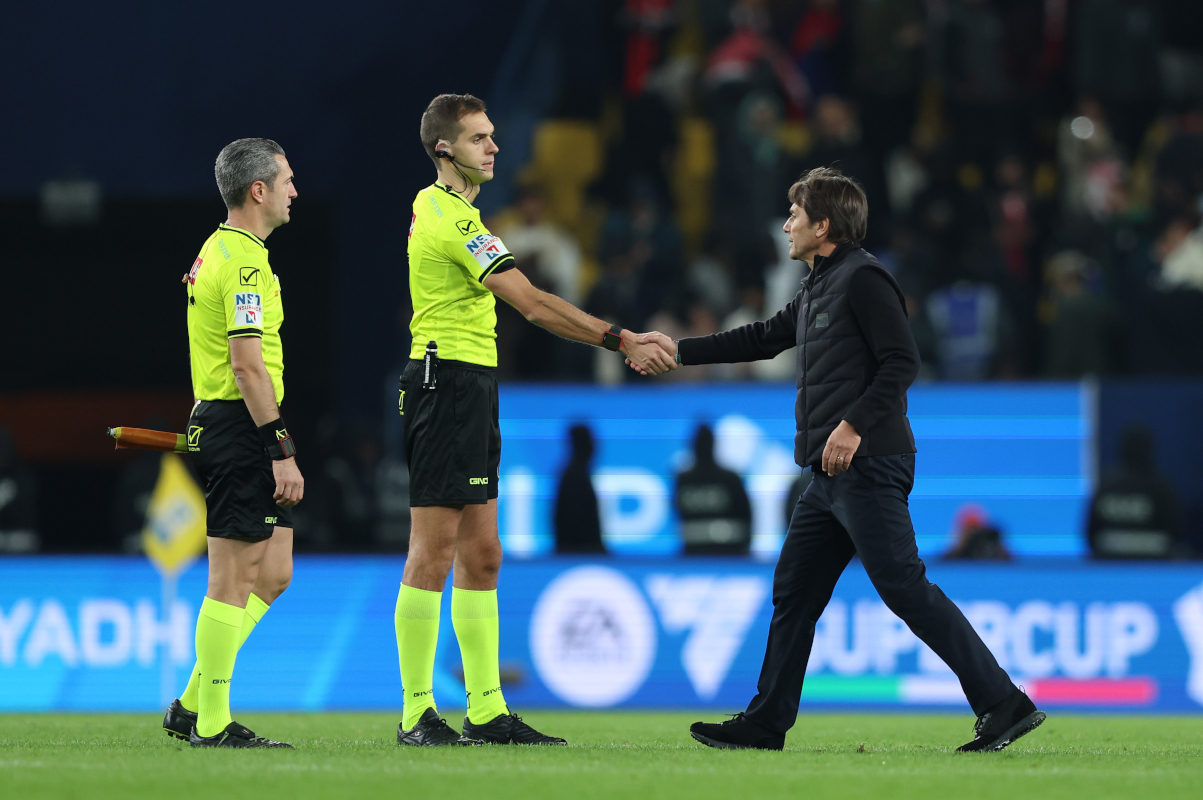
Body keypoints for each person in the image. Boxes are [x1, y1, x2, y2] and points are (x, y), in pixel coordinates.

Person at [635, 167, 1044, 753]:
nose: (787, 224)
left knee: (904, 587)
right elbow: (764, 337)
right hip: (828, 476)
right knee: (794, 591)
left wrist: (852, 425)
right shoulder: (819, 285)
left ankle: (1004, 703)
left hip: (868, 462)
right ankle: (767, 720)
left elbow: (902, 361)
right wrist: (679, 351)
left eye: (796, 215)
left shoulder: (864, 278)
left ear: (823, 224)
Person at [396, 93, 673, 747]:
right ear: (445, 150)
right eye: (478, 139)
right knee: (432, 554)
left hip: (471, 384)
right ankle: (416, 712)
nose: (493, 147)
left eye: (492, 136)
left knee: (483, 554)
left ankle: (486, 711)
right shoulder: (451, 220)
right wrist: (620, 338)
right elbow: (533, 304)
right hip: (445, 386)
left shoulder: (458, 213)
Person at [161, 139, 302, 749]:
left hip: (238, 420)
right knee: (233, 575)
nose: (296, 191)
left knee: (273, 570)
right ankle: (212, 723)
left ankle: (193, 702)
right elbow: (246, 366)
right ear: (259, 191)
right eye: (288, 180)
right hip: (242, 422)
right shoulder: (243, 261)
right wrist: (279, 446)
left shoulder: (218, 250)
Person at [1088, 425, 1182, 559]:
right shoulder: (1160, 486)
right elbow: (1174, 529)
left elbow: (1091, 532)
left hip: (1113, 559)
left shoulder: (1107, 484)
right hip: (1150, 562)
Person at [675, 424, 752, 555]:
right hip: (729, 553)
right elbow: (746, 515)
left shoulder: (684, 480)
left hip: (699, 553)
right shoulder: (730, 478)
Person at [553, 424, 605, 555]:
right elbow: (575, 525)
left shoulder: (576, 475)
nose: (594, 447)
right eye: (589, 441)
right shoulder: (574, 478)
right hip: (580, 556)